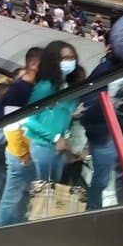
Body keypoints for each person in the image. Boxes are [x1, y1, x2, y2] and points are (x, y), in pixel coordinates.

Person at [25, 41, 83, 182]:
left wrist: (74, 116)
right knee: (45, 193)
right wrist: (56, 138)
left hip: (60, 147)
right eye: (65, 58)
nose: (69, 62)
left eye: (71, 58)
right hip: (44, 146)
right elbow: (28, 119)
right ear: (53, 61)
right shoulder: (45, 87)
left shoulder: (68, 86)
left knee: (53, 192)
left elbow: (63, 116)